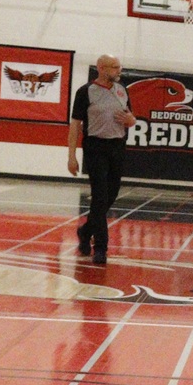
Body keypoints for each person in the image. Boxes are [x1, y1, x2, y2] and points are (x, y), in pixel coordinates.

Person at [66, 54, 137, 263]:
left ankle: (85, 231)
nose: (119, 70)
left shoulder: (121, 90)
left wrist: (131, 120)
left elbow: (130, 117)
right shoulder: (86, 91)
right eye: (114, 67)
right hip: (95, 147)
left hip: (117, 146)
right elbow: (75, 125)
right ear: (101, 68)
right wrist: (71, 156)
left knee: (111, 195)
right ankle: (101, 247)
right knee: (99, 197)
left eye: (119, 66)